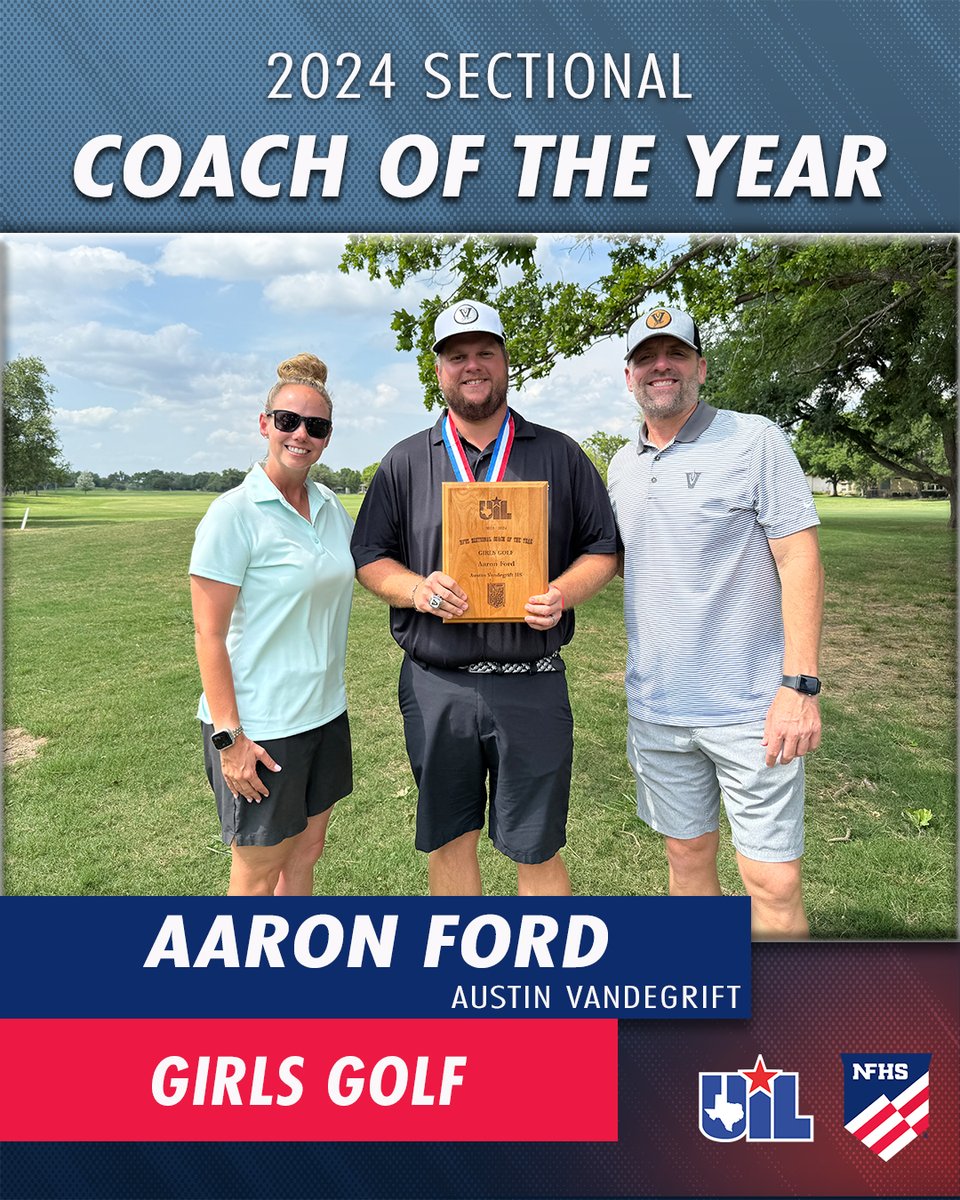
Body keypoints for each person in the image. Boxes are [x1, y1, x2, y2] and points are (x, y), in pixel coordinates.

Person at [351, 299, 618, 896]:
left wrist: (563, 592)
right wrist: (416, 589)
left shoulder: (559, 453)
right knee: (450, 839)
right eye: (456, 356)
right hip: (436, 683)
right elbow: (370, 557)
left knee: (537, 846)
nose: (471, 366)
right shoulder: (404, 460)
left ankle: (543, 983)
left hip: (533, 678)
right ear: (438, 370)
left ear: (505, 362)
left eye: (484, 353)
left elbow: (603, 548)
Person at [607, 306, 824, 939]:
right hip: (658, 709)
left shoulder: (755, 440)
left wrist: (800, 684)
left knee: (773, 881)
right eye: (648, 358)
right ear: (630, 377)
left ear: (700, 366)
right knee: (687, 862)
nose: (661, 367)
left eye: (675, 353)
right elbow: (614, 561)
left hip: (753, 710)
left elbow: (800, 557)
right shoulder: (622, 466)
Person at [189, 353, 354, 896]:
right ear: (265, 424)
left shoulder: (331, 506)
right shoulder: (233, 513)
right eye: (288, 421)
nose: (301, 434)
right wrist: (229, 737)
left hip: (324, 712)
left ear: (327, 436)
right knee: (259, 870)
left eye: (316, 426)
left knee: (305, 854)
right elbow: (208, 634)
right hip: (261, 725)